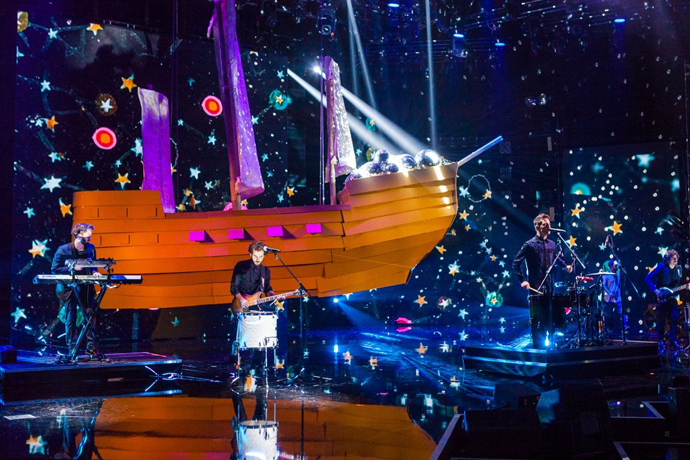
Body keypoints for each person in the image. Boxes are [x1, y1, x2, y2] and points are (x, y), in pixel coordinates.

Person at [513, 213, 573, 349]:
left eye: (549, 224)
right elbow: (516, 263)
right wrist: (522, 280)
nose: (548, 227)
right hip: (535, 288)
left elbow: (557, 259)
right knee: (537, 321)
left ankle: (551, 347)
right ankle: (538, 349)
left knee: (550, 319)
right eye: (545, 224)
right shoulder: (529, 245)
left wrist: (566, 266)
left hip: (549, 288)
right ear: (537, 226)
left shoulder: (552, 244)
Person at [51, 223, 98, 357]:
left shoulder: (91, 248)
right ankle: (72, 347)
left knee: (90, 316)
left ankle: (91, 348)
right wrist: (71, 268)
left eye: (90, 235)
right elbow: (55, 269)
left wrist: (95, 272)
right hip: (69, 287)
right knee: (71, 317)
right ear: (78, 235)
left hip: (86, 287)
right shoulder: (63, 249)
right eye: (87, 235)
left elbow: (93, 265)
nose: (89, 238)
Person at [645, 249, 683, 353]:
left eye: (676, 258)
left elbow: (677, 284)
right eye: (673, 258)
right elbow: (648, 278)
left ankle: (673, 340)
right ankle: (660, 340)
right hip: (662, 297)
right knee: (661, 319)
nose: (675, 260)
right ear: (668, 259)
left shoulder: (678, 269)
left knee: (675, 318)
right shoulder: (662, 266)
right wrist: (655, 290)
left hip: (672, 298)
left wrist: (685, 287)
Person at [230, 241, 276, 311]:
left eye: (260, 256)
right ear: (250, 254)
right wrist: (242, 300)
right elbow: (234, 287)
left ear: (264, 256)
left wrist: (275, 296)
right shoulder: (241, 266)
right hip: (240, 304)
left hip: (257, 306)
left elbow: (267, 289)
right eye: (255, 256)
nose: (258, 259)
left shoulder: (265, 270)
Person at [602, 259, 625, 339]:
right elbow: (604, 285)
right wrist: (609, 293)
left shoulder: (618, 274)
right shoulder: (606, 274)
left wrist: (617, 293)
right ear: (611, 266)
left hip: (617, 296)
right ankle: (609, 330)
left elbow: (619, 284)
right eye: (615, 265)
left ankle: (624, 327)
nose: (617, 267)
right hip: (609, 297)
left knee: (621, 312)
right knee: (609, 314)